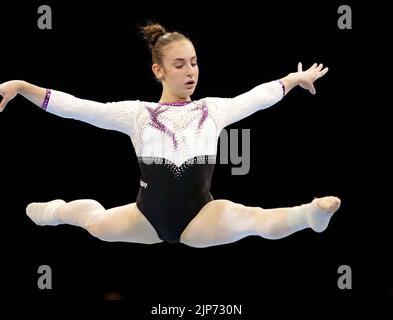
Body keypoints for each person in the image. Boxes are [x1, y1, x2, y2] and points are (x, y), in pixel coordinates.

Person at [0, 23, 341, 248]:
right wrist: (21, 86)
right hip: (147, 217)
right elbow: (77, 107)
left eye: (193, 62)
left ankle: (309, 215)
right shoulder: (137, 115)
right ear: (158, 70)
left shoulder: (213, 109)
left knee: (250, 218)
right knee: (96, 224)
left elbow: (257, 97)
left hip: (200, 218)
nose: (190, 71)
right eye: (179, 65)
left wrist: (292, 80)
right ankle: (56, 211)